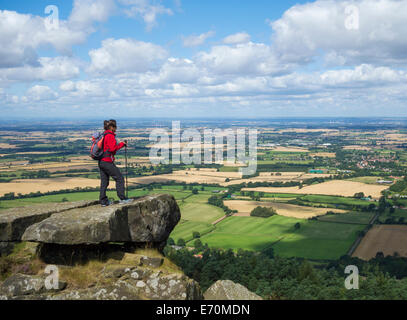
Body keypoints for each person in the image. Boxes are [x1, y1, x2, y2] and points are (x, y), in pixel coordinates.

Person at [99, 119, 132, 206]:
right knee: (120, 178)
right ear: (111, 127)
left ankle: (103, 201)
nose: (116, 129)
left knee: (104, 182)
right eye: (115, 127)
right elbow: (113, 148)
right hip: (107, 162)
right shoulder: (110, 136)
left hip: (101, 162)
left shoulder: (103, 135)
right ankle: (123, 199)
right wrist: (122, 144)